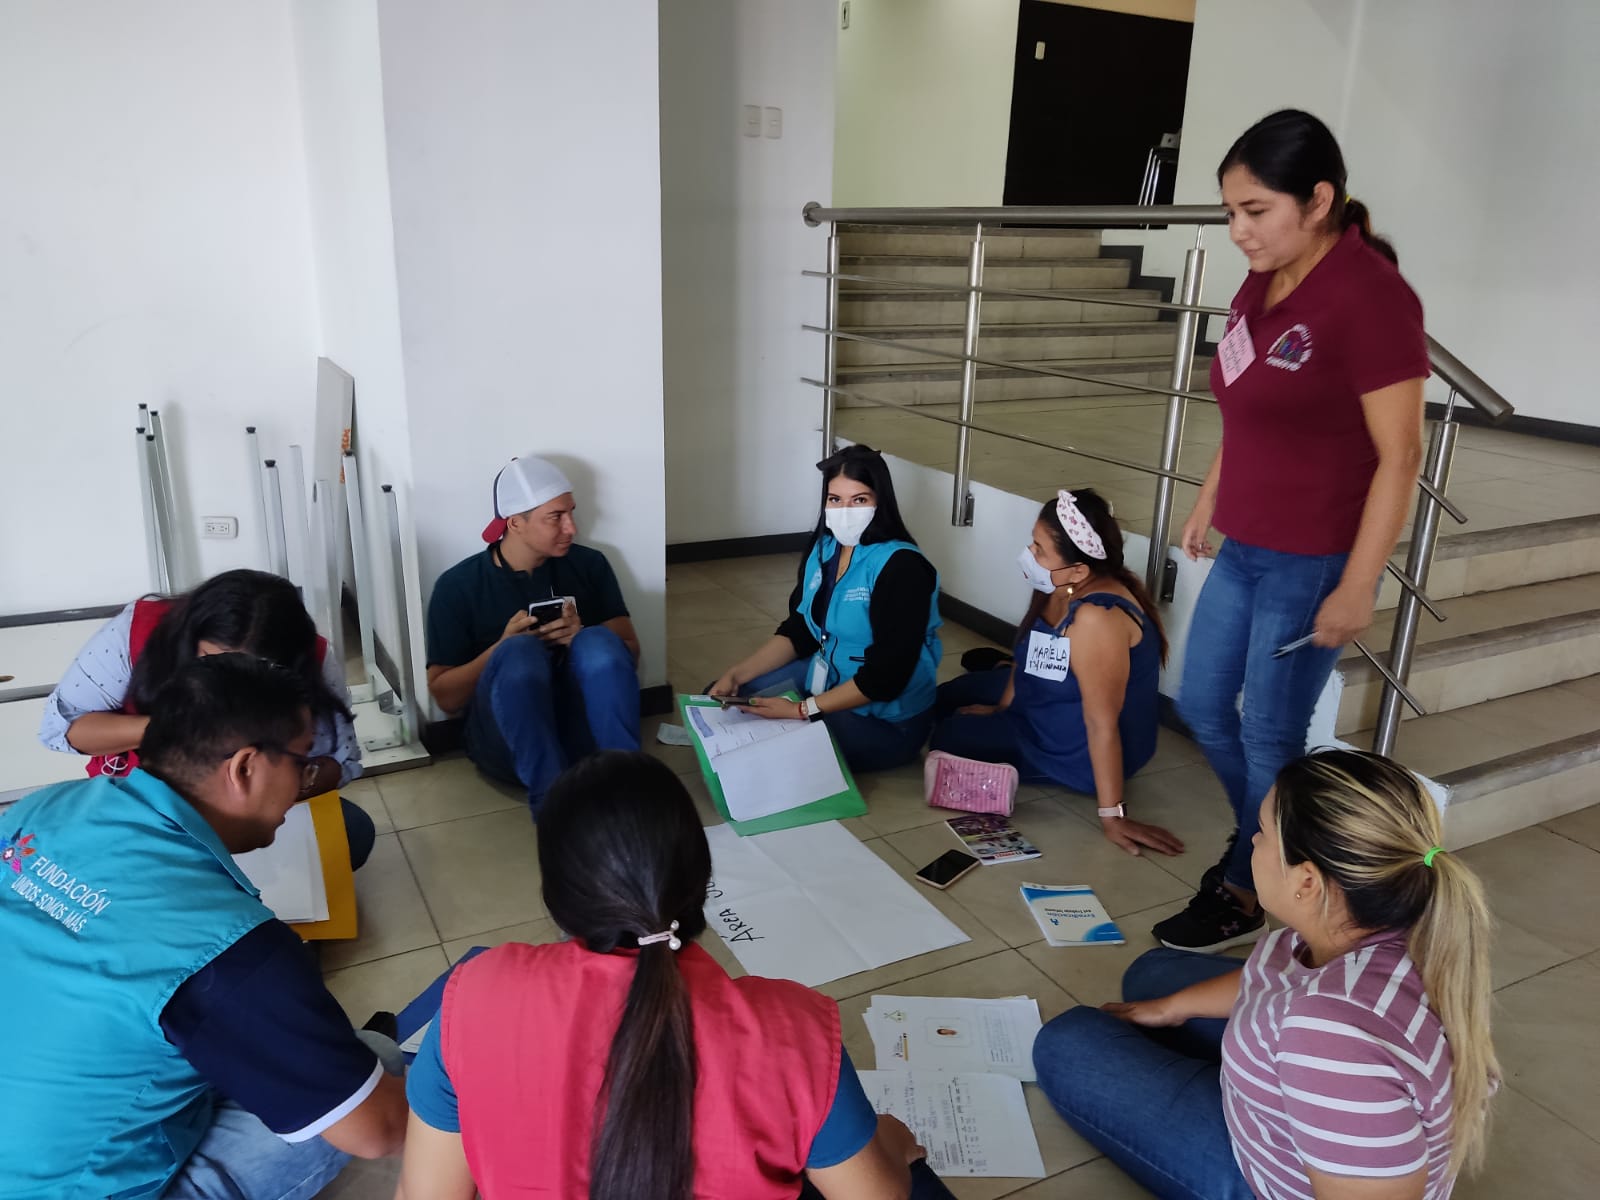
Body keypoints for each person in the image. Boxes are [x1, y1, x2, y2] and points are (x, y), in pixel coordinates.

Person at [397, 750, 956, 1200]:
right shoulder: (794, 1029)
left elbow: (426, 1193)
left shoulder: (476, 996)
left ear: (556, 896)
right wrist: (891, 1142)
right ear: (700, 881)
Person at [1158, 108, 1430, 952]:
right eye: (1230, 212)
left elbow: (1402, 455)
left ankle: (1250, 883)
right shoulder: (1262, 281)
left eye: (1255, 210)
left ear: (1317, 200)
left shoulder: (1370, 297)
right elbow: (1247, 406)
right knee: (1202, 703)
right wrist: (1209, 497)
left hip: (1312, 560)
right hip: (1246, 545)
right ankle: (1271, 842)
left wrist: (1359, 583)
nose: (1239, 231)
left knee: (1271, 733)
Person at [1, 655, 409, 1199]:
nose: (303, 783)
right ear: (245, 768)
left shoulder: (40, 810)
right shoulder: (225, 945)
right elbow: (379, 1131)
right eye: (302, 763)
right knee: (373, 1070)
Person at [1032, 749, 1498, 1200]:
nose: (1252, 843)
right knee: (1152, 974)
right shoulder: (1393, 918)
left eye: (1262, 832)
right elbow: (1274, 980)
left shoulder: (1332, 1037)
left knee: (1066, 1041)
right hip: (1305, 1076)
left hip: (1265, 1179)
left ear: (1307, 881)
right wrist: (1170, 1009)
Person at [39, 568, 375, 869]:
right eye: (210, 661)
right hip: (148, 805)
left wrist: (270, 792)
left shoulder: (314, 660)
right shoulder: (136, 634)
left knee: (352, 834)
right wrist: (178, 727)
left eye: (250, 672)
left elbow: (340, 763)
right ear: (189, 638)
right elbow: (63, 728)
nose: (227, 684)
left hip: (254, 803)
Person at [930, 489, 1183, 858]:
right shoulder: (1062, 582)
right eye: (1033, 542)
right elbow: (1029, 647)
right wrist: (1001, 709)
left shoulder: (1097, 618)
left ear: (1079, 568)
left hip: (1071, 743)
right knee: (946, 696)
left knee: (949, 735)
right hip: (1050, 691)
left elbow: (1101, 723)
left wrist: (1113, 816)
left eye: (1040, 549)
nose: (1029, 554)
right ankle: (998, 682)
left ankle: (1021, 735)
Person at [425, 453, 641, 816]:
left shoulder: (589, 565)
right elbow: (446, 697)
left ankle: (628, 790)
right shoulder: (458, 586)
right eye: (555, 517)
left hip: (585, 738)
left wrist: (580, 634)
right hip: (510, 744)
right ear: (515, 523)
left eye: (571, 513)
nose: (571, 528)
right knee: (518, 653)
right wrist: (499, 649)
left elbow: (630, 654)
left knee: (599, 642)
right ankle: (552, 806)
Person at [709, 444, 941, 773]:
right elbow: (802, 629)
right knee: (726, 701)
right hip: (829, 681)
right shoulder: (825, 548)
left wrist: (801, 710)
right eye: (835, 499)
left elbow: (884, 678)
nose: (845, 511)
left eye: (859, 500)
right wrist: (737, 673)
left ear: (881, 501)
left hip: (886, 721)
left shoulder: (902, 566)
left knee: (772, 746)